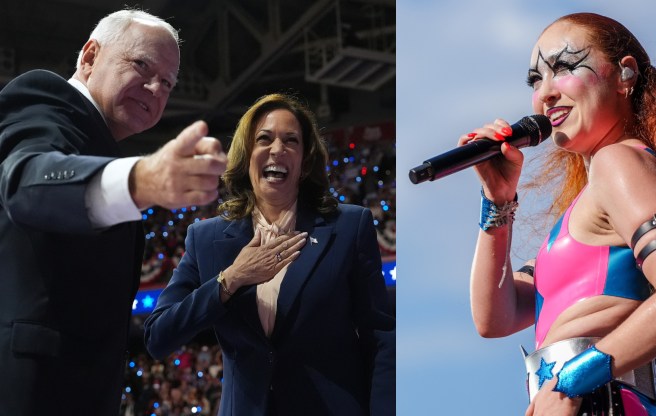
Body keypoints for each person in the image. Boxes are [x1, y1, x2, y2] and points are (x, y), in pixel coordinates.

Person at [461, 12, 656, 416]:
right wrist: (497, 199)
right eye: (536, 79)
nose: (546, 93)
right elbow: (495, 317)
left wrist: (571, 382)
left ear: (625, 74)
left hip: (600, 401)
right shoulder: (591, 201)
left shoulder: (618, 163)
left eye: (564, 67)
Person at [0, 9, 227, 415]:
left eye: (168, 83)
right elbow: (25, 181)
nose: (156, 88)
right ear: (90, 56)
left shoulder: (97, 141)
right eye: (142, 65)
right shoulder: (44, 100)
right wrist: (142, 179)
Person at [144, 93, 396, 415]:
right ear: (246, 156)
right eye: (264, 139)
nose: (277, 149)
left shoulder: (348, 227)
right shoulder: (204, 239)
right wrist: (230, 280)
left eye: (291, 140)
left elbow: (380, 336)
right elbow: (158, 337)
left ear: (304, 162)